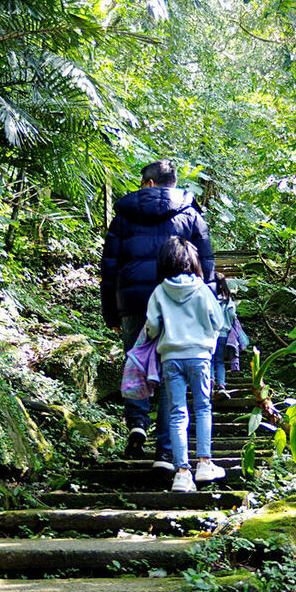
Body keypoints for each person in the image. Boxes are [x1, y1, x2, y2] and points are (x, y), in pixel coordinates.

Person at [101, 159, 215, 468]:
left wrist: (110, 310)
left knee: (137, 359)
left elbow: (109, 267)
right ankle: (165, 451)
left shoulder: (124, 215)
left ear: (149, 183)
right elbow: (206, 263)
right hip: (176, 303)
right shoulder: (191, 214)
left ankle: (137, 420)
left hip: (133, 300)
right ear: (172, 183)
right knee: (169, 374)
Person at [144, 237, 225, 492]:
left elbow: (152, 326)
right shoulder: (202, 289)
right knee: (202, 408)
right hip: (199, 356)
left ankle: (181, 473)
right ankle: (204, 463)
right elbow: (218, 322)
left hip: (170, 358)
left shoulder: (159, 291)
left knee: (178, 412)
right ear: (192, 261)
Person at [212, 272, 240, 397]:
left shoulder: (210, 298)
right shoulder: (228, 300)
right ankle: (221, 385)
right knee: (220, 361)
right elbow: (233, 315)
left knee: (210, 360)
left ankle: (210, 380)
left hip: (211, 333)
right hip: (224, 334)